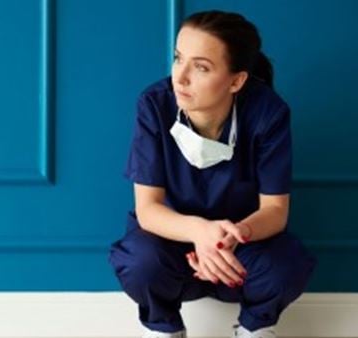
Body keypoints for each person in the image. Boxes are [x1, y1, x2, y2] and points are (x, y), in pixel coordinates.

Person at [108, 10, 317, 338]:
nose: (180, 77)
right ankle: (165, 329)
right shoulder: (154, 104)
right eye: (178, 58)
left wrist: (229, 237)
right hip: (174, 246)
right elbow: (148, 210)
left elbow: (275, 212)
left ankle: (254, 329)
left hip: (240, 248)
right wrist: (199, 232)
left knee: (286, 266)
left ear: (236, 81)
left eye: (201, 67)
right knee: (141, 262)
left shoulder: (268, 113)